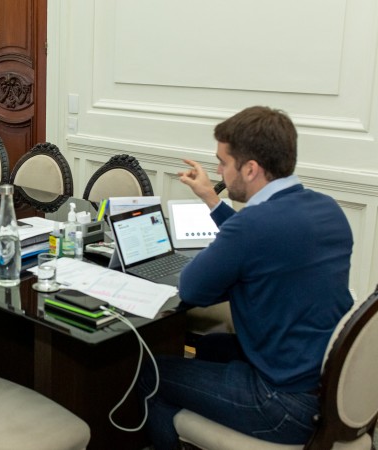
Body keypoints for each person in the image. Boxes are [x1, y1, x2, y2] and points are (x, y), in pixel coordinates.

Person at [137, 106, 353, 449]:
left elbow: (190, 287)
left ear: (250, 169)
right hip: (332, 387)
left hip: (284, 405)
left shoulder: (250, 226)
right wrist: (212, 199)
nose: (219, 171)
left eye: (224, 163)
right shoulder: (327, 208)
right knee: (208, 347)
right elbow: (264, 243)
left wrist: (226, 236)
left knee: (150, 373)